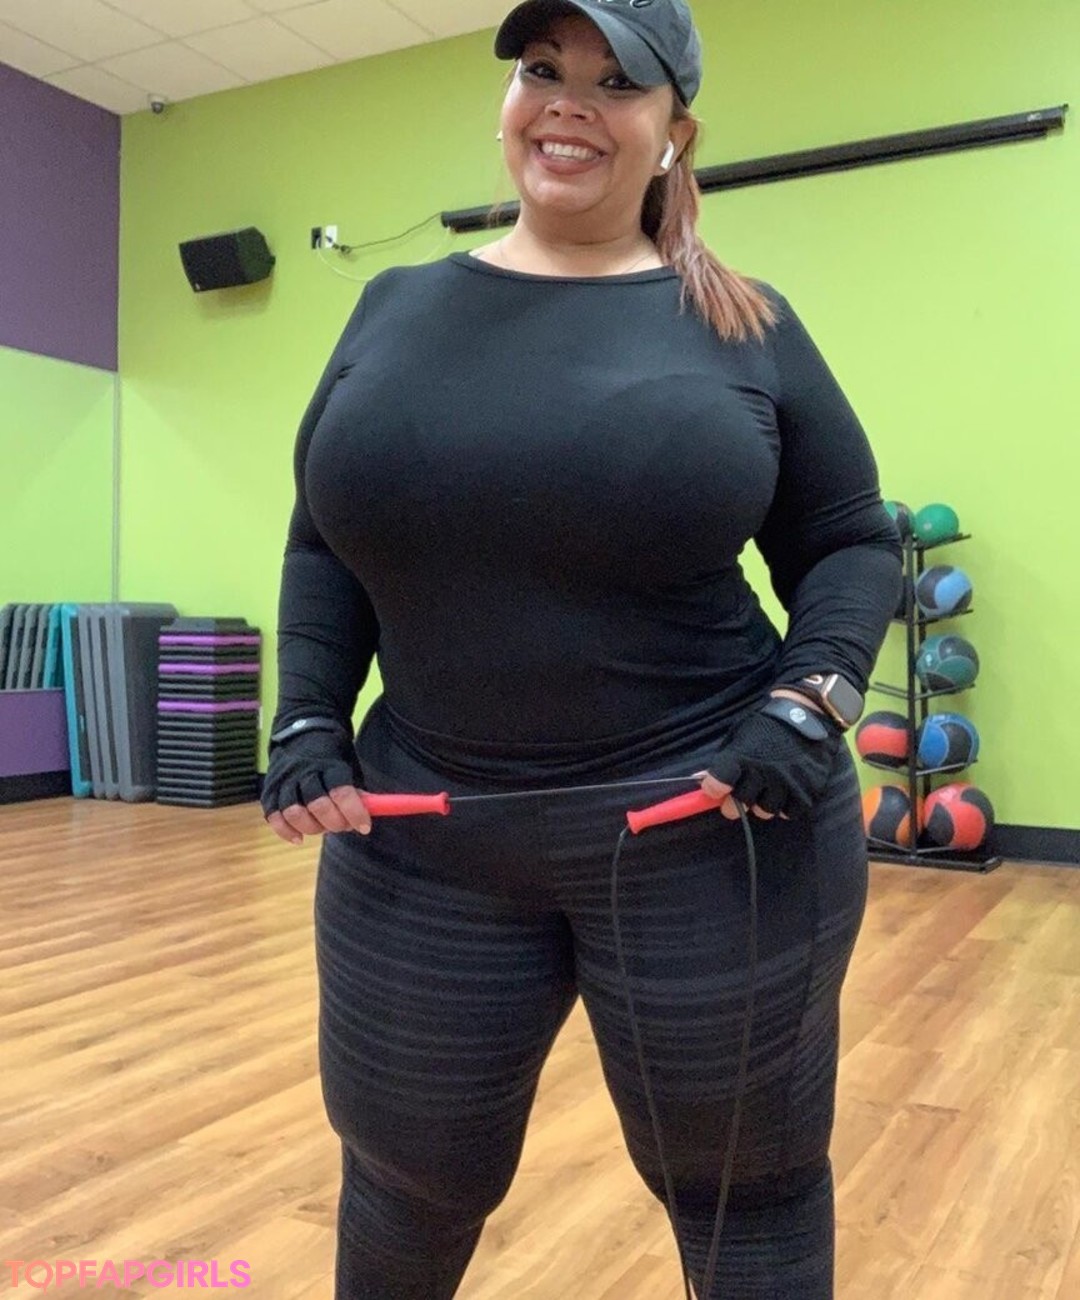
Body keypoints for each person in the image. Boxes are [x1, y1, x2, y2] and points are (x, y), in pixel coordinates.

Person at [260, 0, 903, 1295]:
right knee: (404, 1181)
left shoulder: (744, 323)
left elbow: (848, 539)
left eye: (616, 83)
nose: (567, 102)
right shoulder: (391, 306)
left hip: (709, 830)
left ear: (675, 133)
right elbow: (324, 540)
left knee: (744, 1187)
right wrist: (308, 713)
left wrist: (812, 702)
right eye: (543, 69)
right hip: (423, 840)